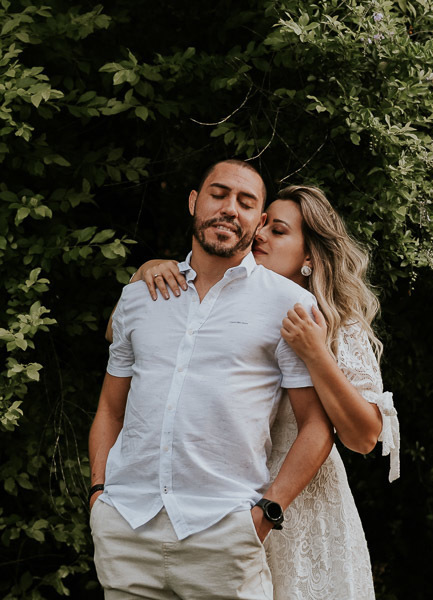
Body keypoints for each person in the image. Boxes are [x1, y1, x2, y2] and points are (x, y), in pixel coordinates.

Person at [121, 184, 401, 599]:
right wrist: (146, 271)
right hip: (221, 507)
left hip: (301, 513)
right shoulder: (215, 300)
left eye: (280, 231)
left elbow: (363, 439)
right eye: (264, 224)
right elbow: (119, 334)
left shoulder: (338, 324)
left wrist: (316, 353)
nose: (261, 235)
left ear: (309, 256)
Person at [88, 159, 335, 600]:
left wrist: (266, 513)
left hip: (225, 534)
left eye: (245, 202)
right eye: (218, 194)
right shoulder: (139, 296)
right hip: (126, 526)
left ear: (258, 222)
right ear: (194, 202)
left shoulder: (289, 305)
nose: (229, 209)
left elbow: (316, 426)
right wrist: (99, 495)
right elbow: (110, 407)